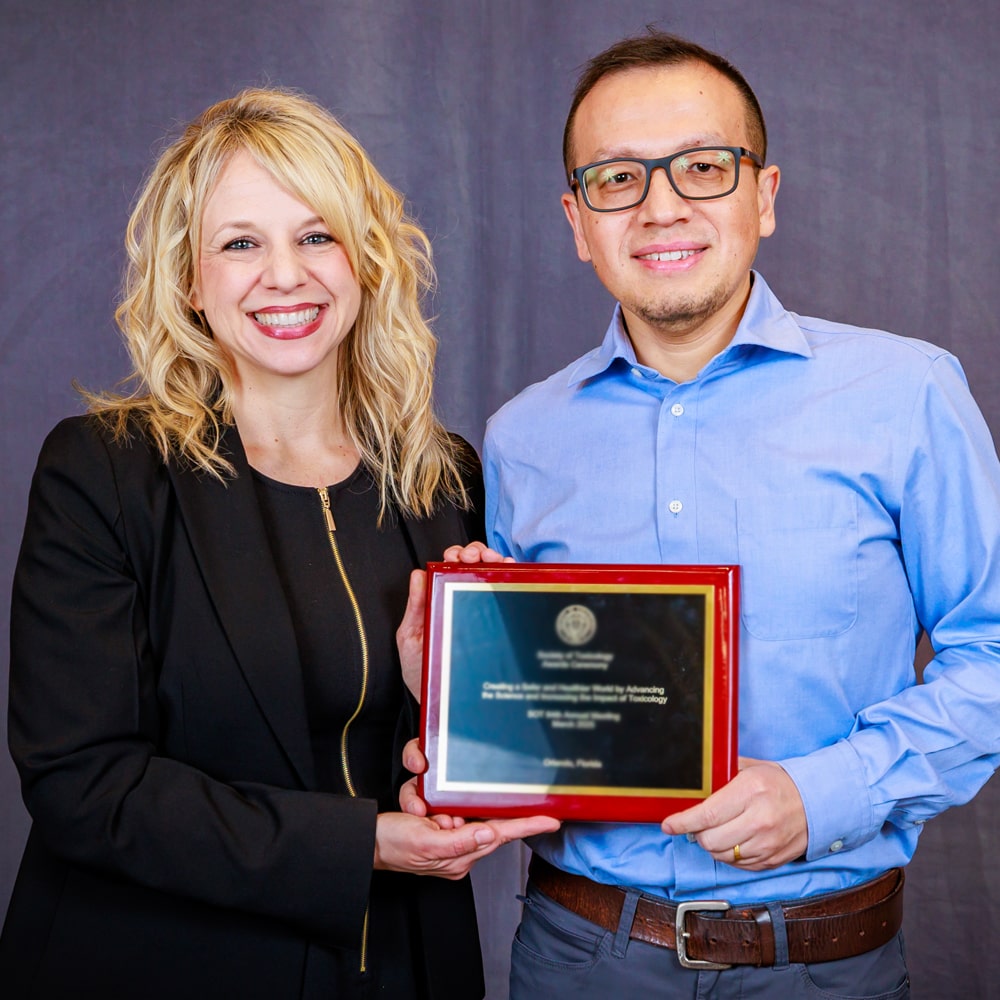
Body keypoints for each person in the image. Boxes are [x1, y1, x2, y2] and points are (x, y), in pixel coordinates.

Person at [408, 30, 1000, 999]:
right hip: (577, 958)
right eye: (617, 179)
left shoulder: (907, 394)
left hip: (822, 964)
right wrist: (452, 698)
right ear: (577, 221)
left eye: (702, 166)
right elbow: (536, 714)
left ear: (762, 195)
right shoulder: (523, 437)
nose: (661, 206)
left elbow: (993, 653)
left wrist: (822, 794)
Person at [0, 87, 556, 999]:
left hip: (401, 965)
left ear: (364, 258)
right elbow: (81, 782)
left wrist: (448, 699)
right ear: (189, 280)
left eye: (316, 236)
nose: (285, 275)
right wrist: (363, 844)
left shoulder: (441, 476)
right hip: (164, 967)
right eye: (240, 244)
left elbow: (443, 766)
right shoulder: (106, 471)